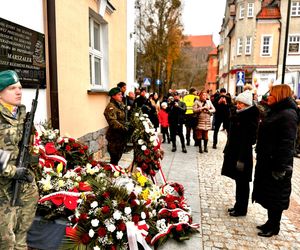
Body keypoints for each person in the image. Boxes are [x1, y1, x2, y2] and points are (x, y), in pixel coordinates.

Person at [252, 84, 298, 237]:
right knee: (269, 193)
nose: (268, 97)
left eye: (271, 94)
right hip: (268, 160)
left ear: (279, 95)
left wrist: (280, 167)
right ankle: (270, 222)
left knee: (276, 196)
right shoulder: (277, 111)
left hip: (277, 163)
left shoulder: (288, 114)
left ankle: (274, 226)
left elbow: (287, 143)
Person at [0, 70, 39, 249]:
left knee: (22, 233)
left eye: (20, 87)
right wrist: (14, 172)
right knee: (7, 240)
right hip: (3, 188)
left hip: (23, 183)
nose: (18, 91)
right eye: (12, 88)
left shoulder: (21, 113)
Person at [221, 90, 259, 217]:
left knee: (243, 183)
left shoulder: (249, 117)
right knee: (239, 181)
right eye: (237, 103)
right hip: (236, 153)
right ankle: (238, 205)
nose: (237, 105)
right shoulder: (240, 114)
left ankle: (242, 209)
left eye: (240, 103)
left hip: (243, 155)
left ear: (247, 104)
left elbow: (249, 140)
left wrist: (241, 159)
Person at [104, 87, 128, 165]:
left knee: (118, 157)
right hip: (114, 136)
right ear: (113, 96)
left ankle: (115, 172)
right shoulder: (111, 107)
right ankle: (112, 172)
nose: (121, 96)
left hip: (120, 136)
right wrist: (124, 128)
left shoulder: (119, 105)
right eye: (119, 94)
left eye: (121, 94)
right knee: (114, 158)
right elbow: (112, 121)